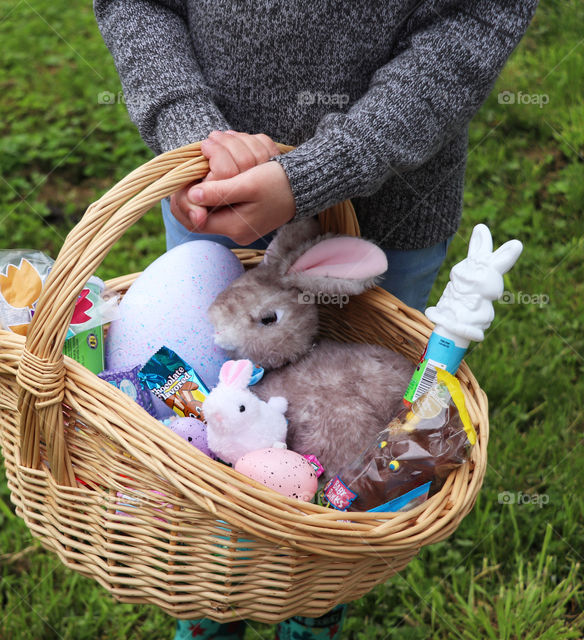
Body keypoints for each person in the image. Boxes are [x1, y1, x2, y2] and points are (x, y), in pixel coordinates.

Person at [93, 1, 537, 638]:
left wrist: (323, 171)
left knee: (371, 435)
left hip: (388, 205)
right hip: (210, 191)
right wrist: (192, 132)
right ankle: (212, 594)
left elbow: (473, 21)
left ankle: (316, 592)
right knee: (199, 379)